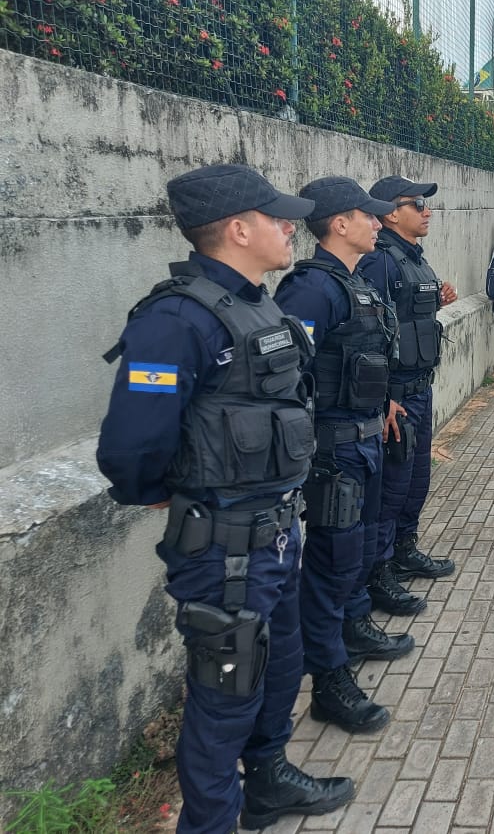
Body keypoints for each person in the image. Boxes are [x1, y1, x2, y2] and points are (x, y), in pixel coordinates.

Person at [97, 164, 356, 832]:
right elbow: (130, 447)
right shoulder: (175, 320)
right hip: (221, 549)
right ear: (238, 229)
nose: (289, 227)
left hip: (273, 536)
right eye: (276, 218)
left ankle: (267, 782)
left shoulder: (259, 304)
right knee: (224, 696)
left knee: (280, 668)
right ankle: (209, 821)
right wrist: (170, 494)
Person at [273, 177, 413, 736]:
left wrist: (382, 405)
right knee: (331, 565)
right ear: (338, 223)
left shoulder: (351, 283)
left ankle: (353, 629)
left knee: (350, 558)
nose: (378, 224)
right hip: (335, 455)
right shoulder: (310, 289)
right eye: (368, 216)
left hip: (365, 439)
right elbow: (287, 380)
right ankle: (329, 680)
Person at [358, 176, 457, 611]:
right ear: (390, 213)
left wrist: (437, 300)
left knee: (416, 482)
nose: (427, 210)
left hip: (419, 390)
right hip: (396, 396)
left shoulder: (413, 259)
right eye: (417, 203)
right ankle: (379, 575)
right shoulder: (379, 262)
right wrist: (383, 401)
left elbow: (402, 320)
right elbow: (369, 333)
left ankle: (404, 551)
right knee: (391, 489)